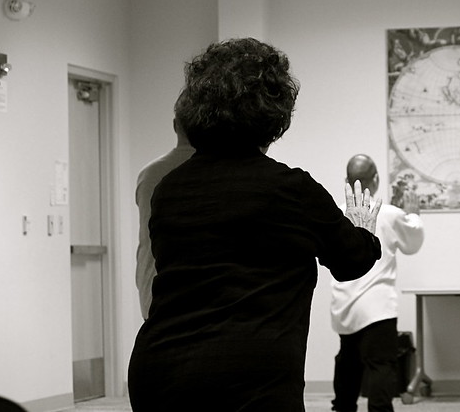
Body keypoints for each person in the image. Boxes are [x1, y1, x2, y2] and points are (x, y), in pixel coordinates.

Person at [128, 38, 382, 412]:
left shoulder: (170, 188)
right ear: (275, 112)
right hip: (250, 378)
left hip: (159, 371)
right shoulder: (289, 189)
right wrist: (363, 228)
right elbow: (351, 261)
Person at [330, 154, 425, 412]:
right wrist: (414, 215)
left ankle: (342, 408)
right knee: (381, 364)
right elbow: (412, 244)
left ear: (346, 181)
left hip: (344, 305)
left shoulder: (335, 214)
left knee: (348, 362)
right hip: (378, 306)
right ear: (376, 180)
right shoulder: (390, 214)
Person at [134, 109, 195, 319]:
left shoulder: (149, 173)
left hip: (152, 285)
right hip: (194, 293)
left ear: (175, 125)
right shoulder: (214, 172)